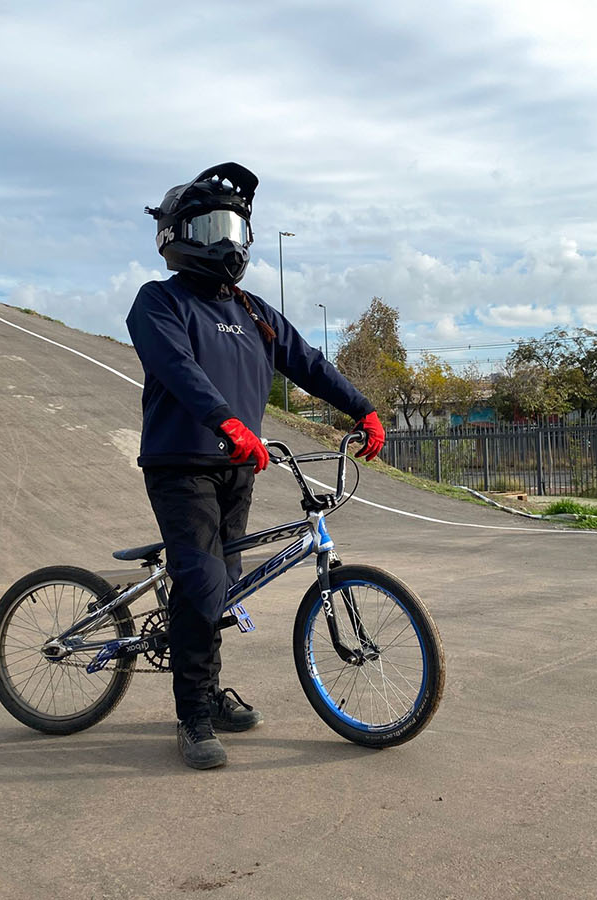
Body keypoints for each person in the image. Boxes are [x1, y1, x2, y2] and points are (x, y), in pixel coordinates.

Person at [127, 163, 385, 769]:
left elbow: (310, 363)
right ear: (177, 234)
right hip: (181, 464)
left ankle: (207, 691)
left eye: (237, 230)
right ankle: (193, 713)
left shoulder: (253, 311)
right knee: (204, 583)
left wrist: (364, 409)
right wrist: (227, 421)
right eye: (214, 227)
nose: (228, 243)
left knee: (225, 588)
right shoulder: (158, 301)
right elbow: (178, 369)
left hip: (240, 467)